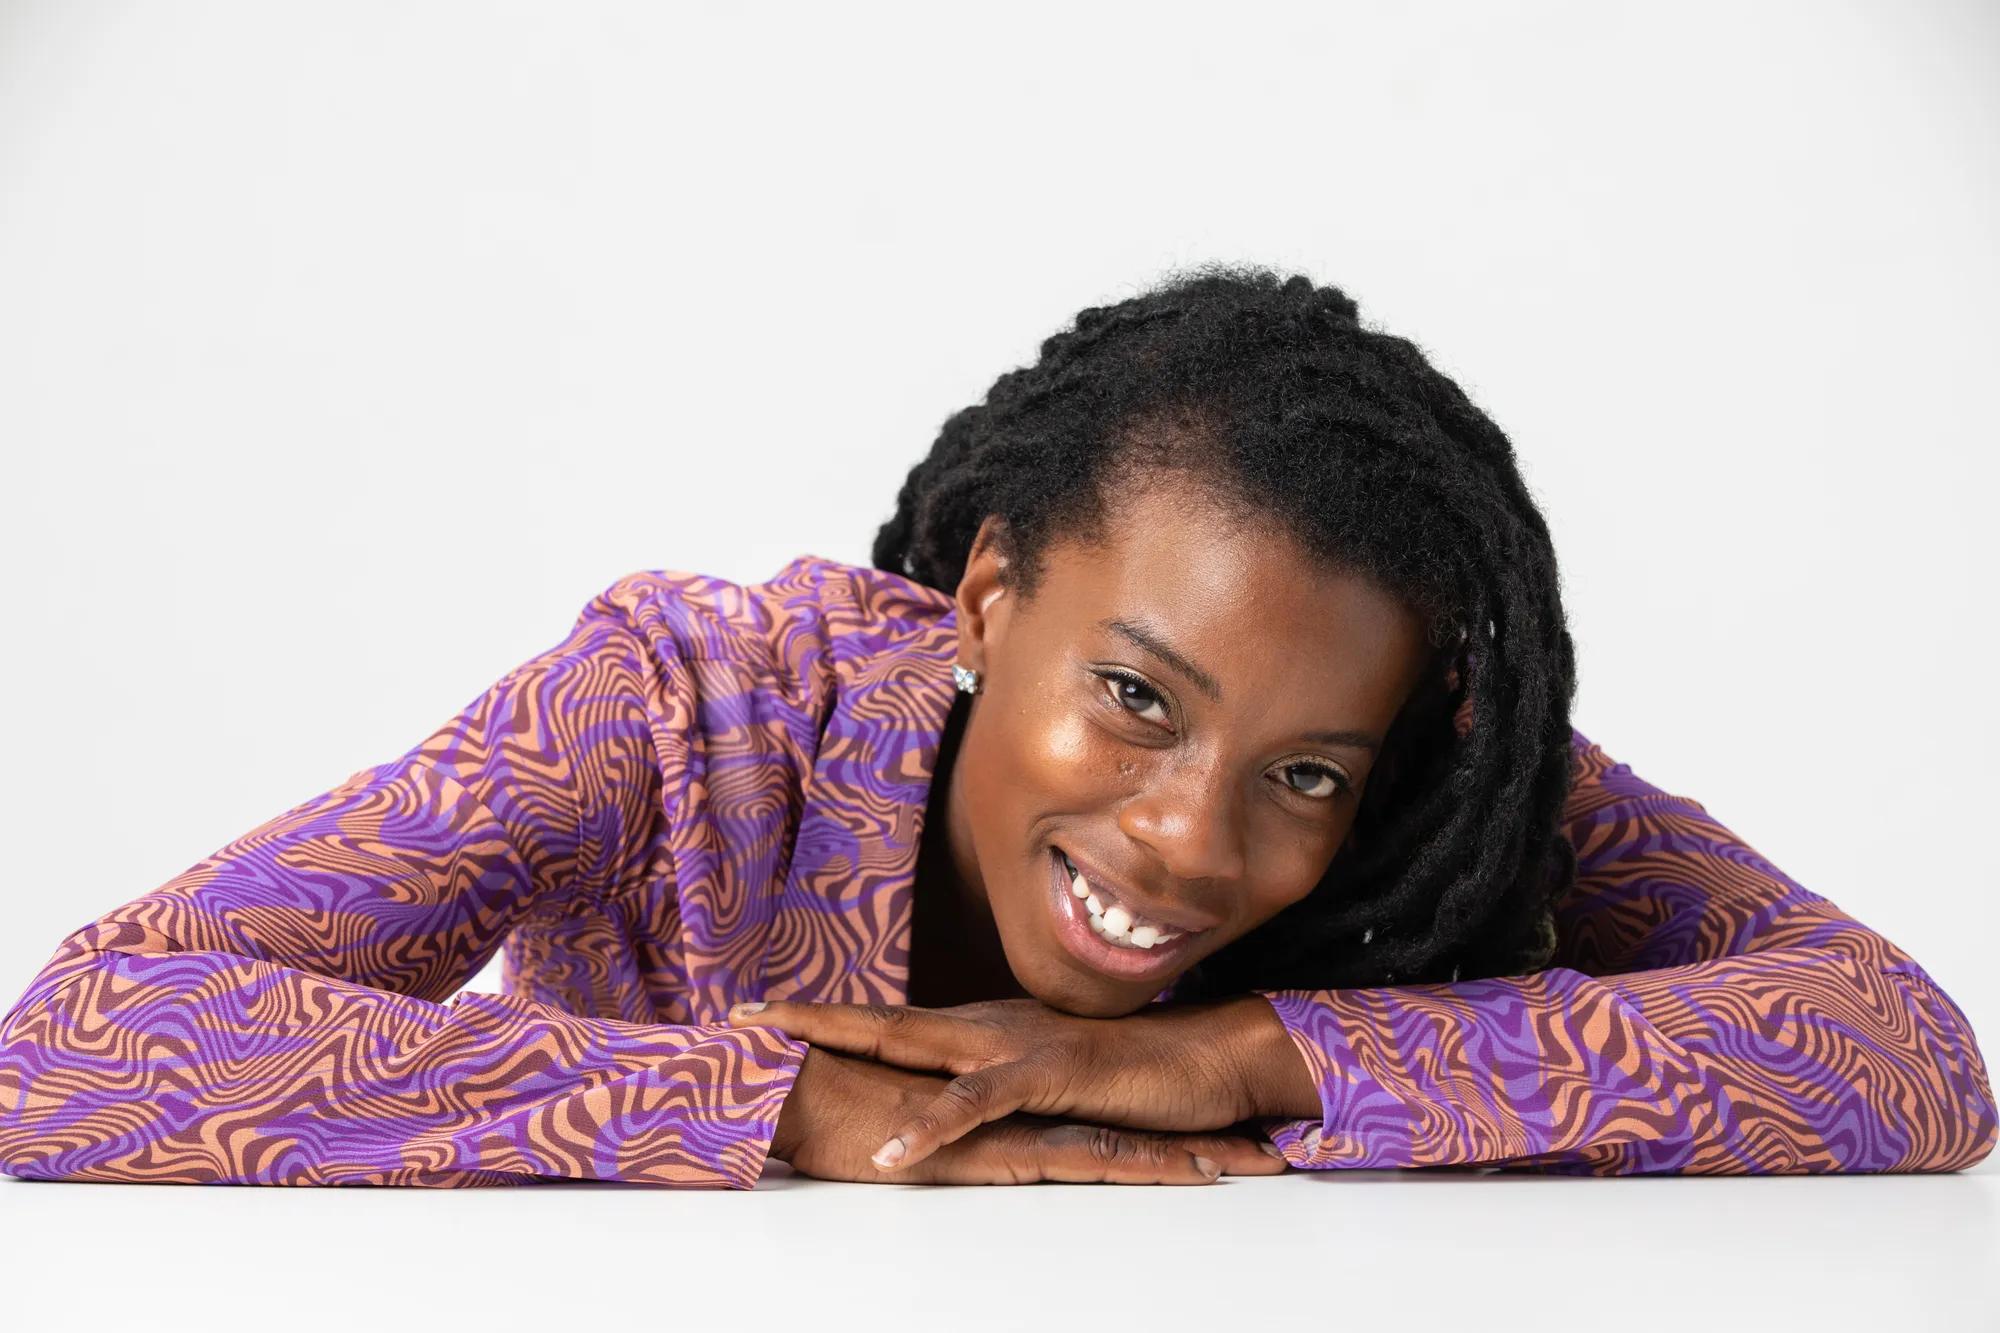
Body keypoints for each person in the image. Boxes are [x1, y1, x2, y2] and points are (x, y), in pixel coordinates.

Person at [0, 266, 1992, 1188]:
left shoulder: (1430, 793)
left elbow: (1904, 1052)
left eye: (1303, 772)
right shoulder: (688, 722)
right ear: (984, 595)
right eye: (1135, 697)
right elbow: (75, 1043)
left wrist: (1242, 1053)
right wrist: (774, 1107)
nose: (1195, 839)